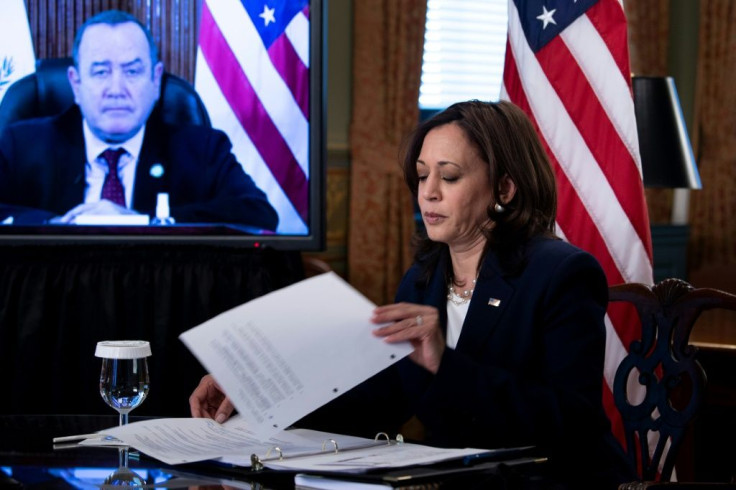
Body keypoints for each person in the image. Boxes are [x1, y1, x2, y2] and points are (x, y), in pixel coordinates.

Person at [189, 100, 637, 488]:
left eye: (451, 176)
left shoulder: (562, 273)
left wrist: (446, 363)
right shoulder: (424, 277)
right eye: (422, 176)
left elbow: (571, 419)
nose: (429, 193)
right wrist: (254, 397)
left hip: (554, 480)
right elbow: (381, 400)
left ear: (503, 188)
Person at [0, 10, 278, 230]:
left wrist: (141, 222)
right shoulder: (21, 145)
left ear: (155, 81)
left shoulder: (202, 151)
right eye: (100, 72)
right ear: (75, 84)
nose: (117, 89)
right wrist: (55, 226)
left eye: (132, 71)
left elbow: (258, 215)